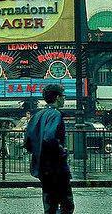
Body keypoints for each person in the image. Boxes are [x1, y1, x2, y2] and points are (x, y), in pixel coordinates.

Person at [24, 84, 74, 214]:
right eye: (63, 96)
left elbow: (27, 141)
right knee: (66, 204)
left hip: (41, 166)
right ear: (57, 97)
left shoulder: (37, 115)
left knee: (49, 204)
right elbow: (49, 138)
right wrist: (62, 151)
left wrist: (38, 151)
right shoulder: (55, 114)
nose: (64, 99)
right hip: (56, 166)